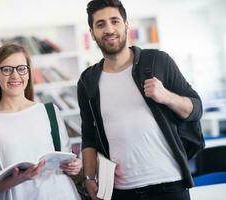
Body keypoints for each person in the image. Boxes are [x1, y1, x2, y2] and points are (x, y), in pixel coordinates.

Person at [77, 0, 203, 200]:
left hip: (170, 186)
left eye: (114, 21)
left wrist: (166, 96)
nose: (109, 29)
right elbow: (89, 135)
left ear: (126, 25)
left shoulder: (158, 61)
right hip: (121, 192)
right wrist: (89, 177)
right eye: (100, 24)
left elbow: (195, 109)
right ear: (92, 33)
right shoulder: (87, 81)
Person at [0, 43, 82, 200]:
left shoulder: (50, 111)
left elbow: (66, 160)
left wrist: (75, 166)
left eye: (21, 68)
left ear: (28, 73)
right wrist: (21, 178)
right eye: (6, 69)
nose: (15, 75)